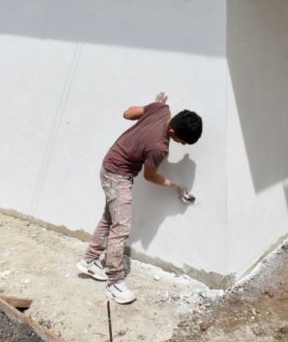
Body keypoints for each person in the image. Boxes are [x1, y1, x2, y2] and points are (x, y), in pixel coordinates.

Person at [77, 92, 202, 304]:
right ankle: (114, 282)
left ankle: (89, 261)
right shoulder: (159, 148)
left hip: (110, 164)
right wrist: (176, 186)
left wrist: (153, 107)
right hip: (117, 176)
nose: (181, 145)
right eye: (182, 141)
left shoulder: (161, 109)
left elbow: (127, 114)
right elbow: (149, 176)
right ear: (172, 132)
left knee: (110, 217)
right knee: (121, 227)